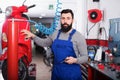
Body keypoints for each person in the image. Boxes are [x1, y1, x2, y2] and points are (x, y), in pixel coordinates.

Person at [21, 9, 88, 80]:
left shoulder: (79, 37)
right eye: (63, 18)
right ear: (60, 20)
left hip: (71, 74)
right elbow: (44, 43)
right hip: (57, 72)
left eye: (68, 18)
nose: (65, 21)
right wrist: (33, 36)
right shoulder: (55, 34)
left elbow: (85, 57)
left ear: (72, 20)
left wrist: (75, 60)